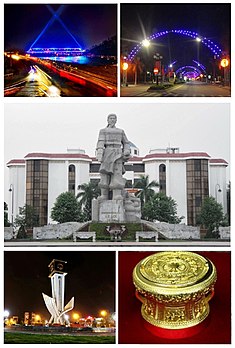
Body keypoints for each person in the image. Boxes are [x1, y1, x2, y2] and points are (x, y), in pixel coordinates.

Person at [96, 114, 130, 201]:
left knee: (117, 174)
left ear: (116, 120)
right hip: (107, 152)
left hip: (118, 153)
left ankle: (117, 194)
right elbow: (100, 143)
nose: (112, 120)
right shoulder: (103, 131)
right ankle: (104, 195)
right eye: (110, 118)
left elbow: (126, 142)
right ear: (107, 120)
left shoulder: (120, 131)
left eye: (114, 118)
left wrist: (126, 150)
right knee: (104, 174)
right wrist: (100, 153)